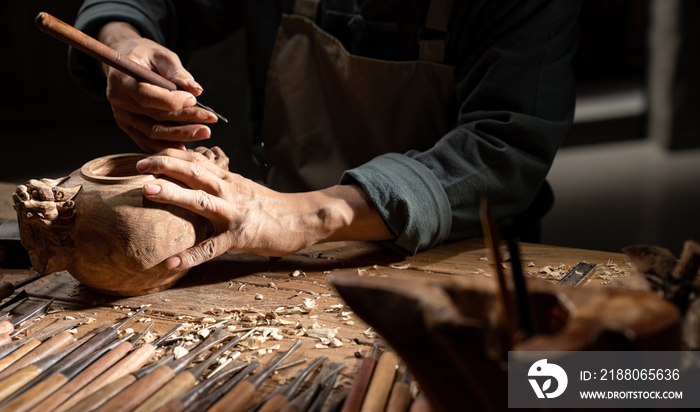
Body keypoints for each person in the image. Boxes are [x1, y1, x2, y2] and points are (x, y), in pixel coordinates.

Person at [69, 0, 581, 271]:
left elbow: (505, 149)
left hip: (457, 257)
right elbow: (139, 4)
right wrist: (122, 42)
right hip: (267, 246)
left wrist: (310, 214)